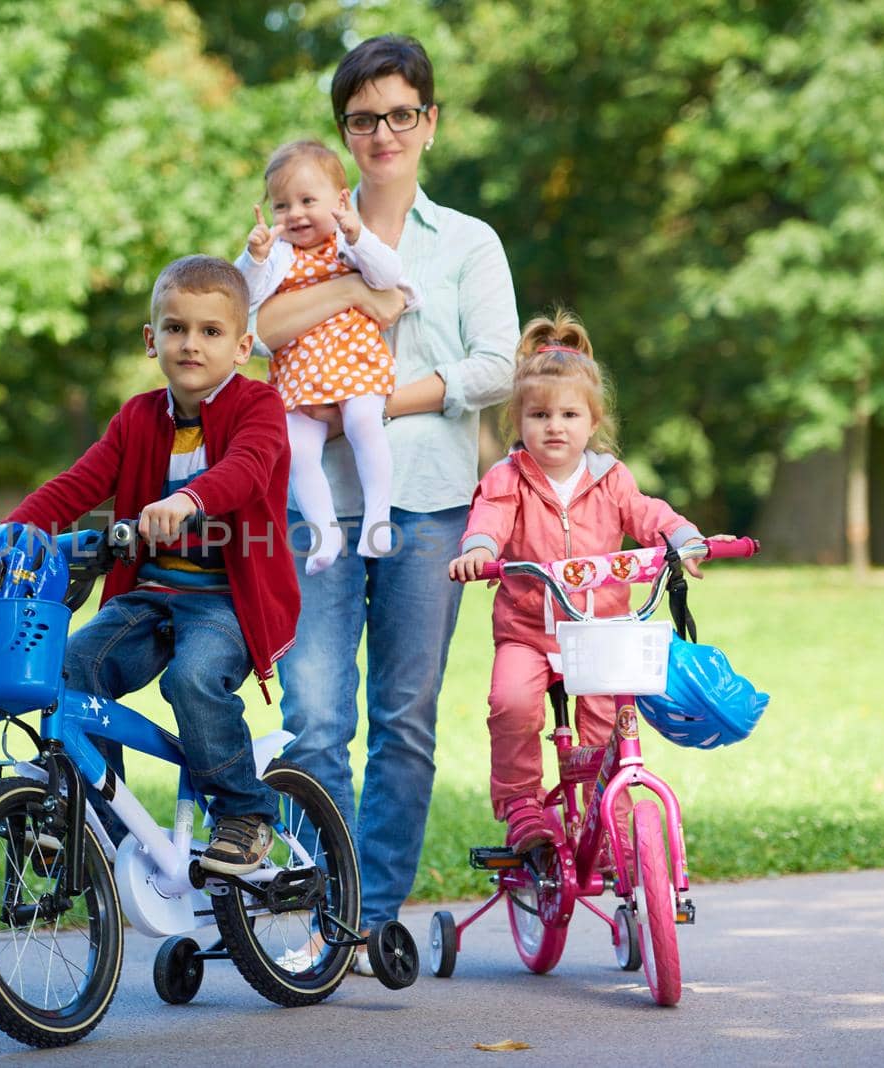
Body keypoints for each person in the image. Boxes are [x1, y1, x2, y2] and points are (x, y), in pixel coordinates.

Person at [253, 34, 520, 961]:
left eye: (400, 114)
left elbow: (496, 366)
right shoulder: (303, 219)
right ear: (344, 131)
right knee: (315, 717)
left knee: (404, 722)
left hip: (432, 505)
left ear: (430, 122)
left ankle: (368, 916)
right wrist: (357, 305)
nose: (383, 133)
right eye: (364, 119)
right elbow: (258, 329)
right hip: (315, 506)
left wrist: (365, 405)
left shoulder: (470, 244)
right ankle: (320, 907)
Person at [5, 255, 300, 876]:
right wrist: (10, 535)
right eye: (175, 328)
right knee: (71, 664)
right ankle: (92, 819)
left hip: (226, 598)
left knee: (192, 679)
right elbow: (77, 485)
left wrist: (189, 500)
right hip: (148, 595)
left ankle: (246, 813)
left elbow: (246, 469)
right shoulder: (137, 417)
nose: (191, 343)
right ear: (151, 339)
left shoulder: (260, 407)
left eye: (211, 331)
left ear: (244, 345)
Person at [448, 310, 729, 851]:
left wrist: (685, 537)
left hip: (600, 631)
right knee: (510, 703)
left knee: (610, 723)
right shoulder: (507, 479)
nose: (555, 426)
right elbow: (488, 521)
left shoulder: (610, 479)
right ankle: (523, 808)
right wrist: (478, 550)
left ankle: (611, 823)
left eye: (570, 414)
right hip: (528, 632)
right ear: (519, 420)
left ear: (592, 423)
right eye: (539, 414)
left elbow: (649, 515)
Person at [236, 140, 417, 575]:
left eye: (306, 201)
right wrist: (253, 258)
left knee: (363, 424)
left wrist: (357, 234)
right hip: (299, 372)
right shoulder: (278, 255)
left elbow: (388, 275)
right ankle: (325, 532)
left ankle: (377, 518)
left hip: (355, 361)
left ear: (339, 201)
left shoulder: (347, 241)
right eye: (282, 205)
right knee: (297, 452)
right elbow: (244, 299)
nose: (295, 214)